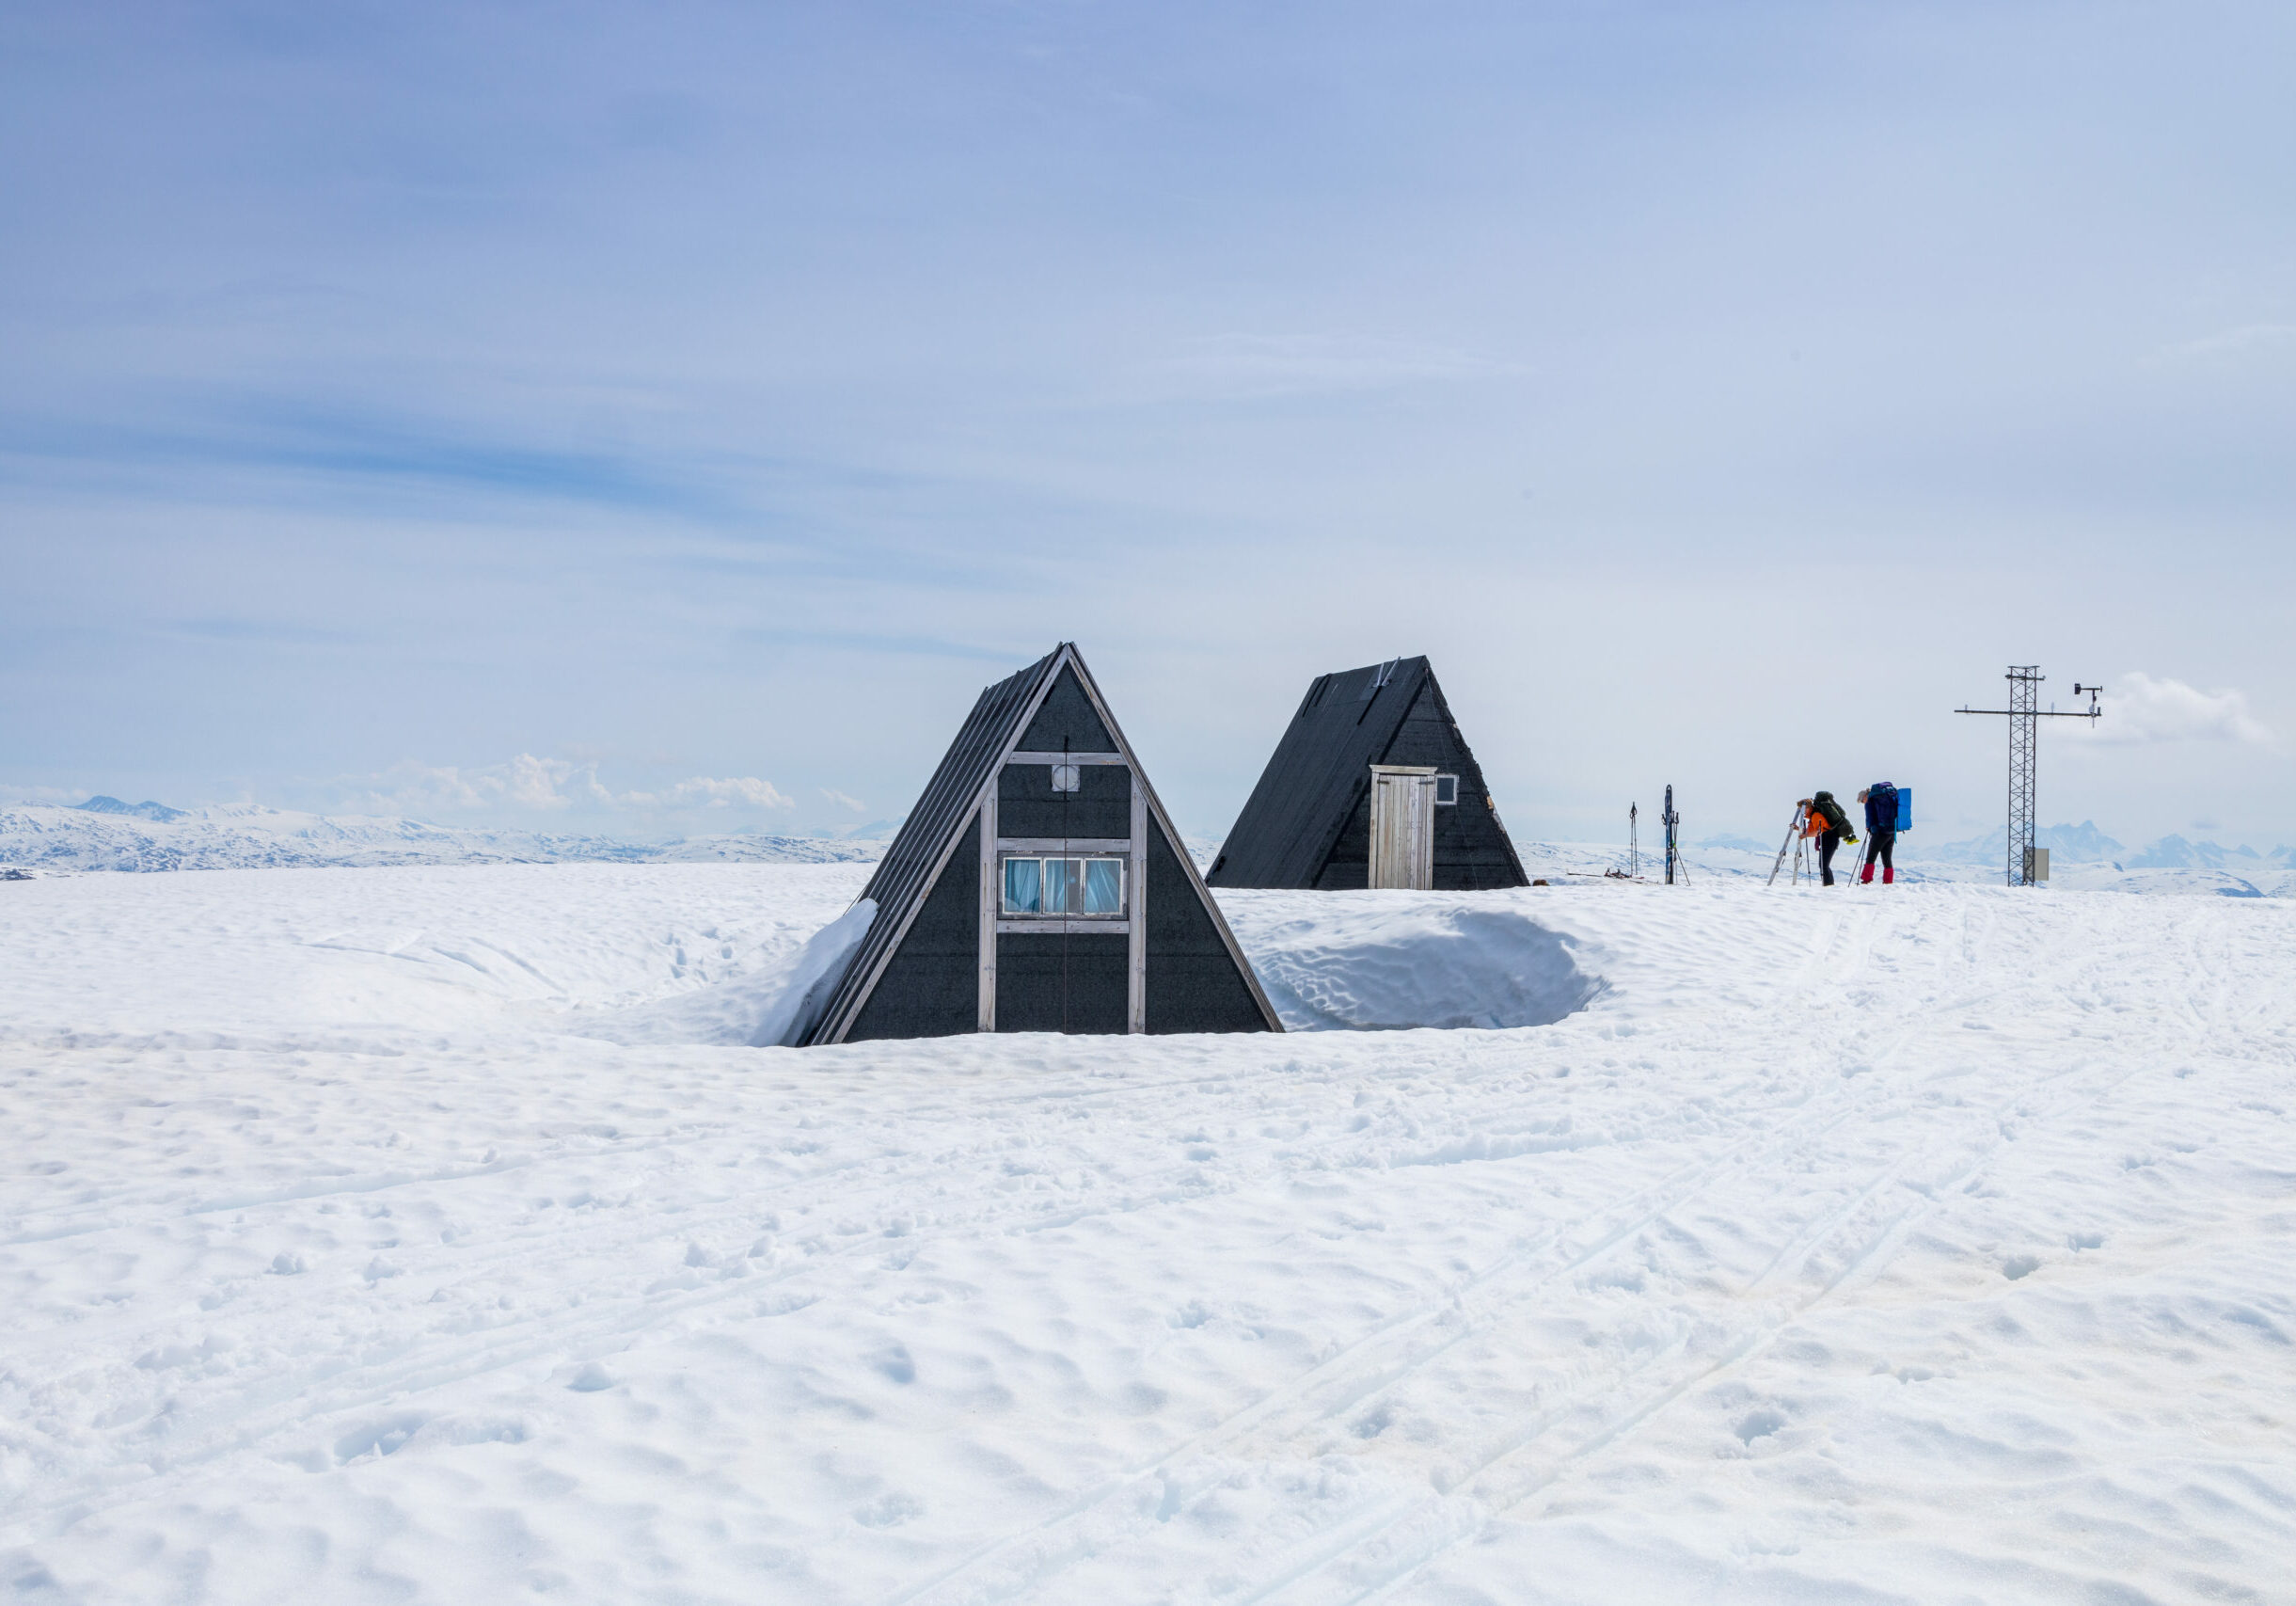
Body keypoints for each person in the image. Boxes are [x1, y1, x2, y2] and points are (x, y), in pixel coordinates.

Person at [1799, 790, 1857, 886]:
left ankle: (1828, 886)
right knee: (1823, 865)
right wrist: (1799, 829)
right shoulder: (1813, 815)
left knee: (1824, 865)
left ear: (1808, 808)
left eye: (1803, 809)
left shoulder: (1816, 816)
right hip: (1828, 839)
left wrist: (1805, 836)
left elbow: (1818, 831)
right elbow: (1811, 831)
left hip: (1830, 839)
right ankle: (1828, 885)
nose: (1802, 811)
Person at [1859, 783, 1900, 884]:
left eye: (1861, 800)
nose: (1862, 802)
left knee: (1871, 856)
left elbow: (1870, 817)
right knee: (1887, 858)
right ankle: (1888, 881)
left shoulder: (1870, 801)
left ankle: (1867, 879)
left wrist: (1869, 827)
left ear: (1865, 796)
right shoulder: (1885, 798)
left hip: (1880, 832)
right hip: (1891, 831)